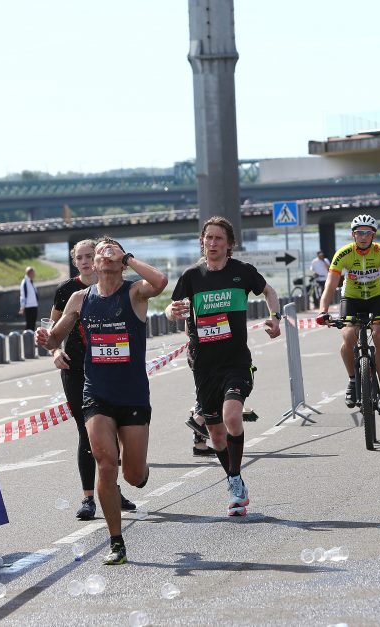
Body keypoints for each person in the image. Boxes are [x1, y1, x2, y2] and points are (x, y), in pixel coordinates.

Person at [38, 238, 167, 565]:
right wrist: (47, 341)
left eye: (112, 251)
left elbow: (161, 283)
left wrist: (130, 259)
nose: (105, 255)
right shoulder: (80, 299)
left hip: (133, 393)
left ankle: (139, 470)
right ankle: (116, 541)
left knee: (134, 476)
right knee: (106, 464)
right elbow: (56, 335)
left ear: (121, 259)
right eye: (100, 253)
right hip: (96, 393)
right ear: (93, 265)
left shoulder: (135, 292)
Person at [165, 216, 281, 517]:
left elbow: (270, 292)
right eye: (208, 238)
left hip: (235, 361)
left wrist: (274, 317)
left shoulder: (242, 272)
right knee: (216, 436)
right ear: (202, 242)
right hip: (204, 365)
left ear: (230, 244)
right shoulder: (192, 275)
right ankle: (234, 477)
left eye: (219, 239)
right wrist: (172, 310)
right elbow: (171, 307)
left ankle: (234, 480)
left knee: (232, 415)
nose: (212, 243)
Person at [49, 239, 137, 519]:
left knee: (111, 430)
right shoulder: (67, 291)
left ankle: (111, 486)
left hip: (108, 366)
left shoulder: (113, 283)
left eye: (90, 255)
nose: (86, 261)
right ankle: (88, 497)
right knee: (85, 430)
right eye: (81, 257)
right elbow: (53, 330)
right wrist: (54, 351)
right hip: (75, 366)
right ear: (75, 262)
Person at [314, 214, 380, 414]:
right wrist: (323, 311)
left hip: (376, 298)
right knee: (348, 337)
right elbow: (330, 286)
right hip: (352, 299)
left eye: (368, 233)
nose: (363, 236)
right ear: (353, 235)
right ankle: (352, 380)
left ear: (373, 235)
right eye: (359, 233)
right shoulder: (344, 253)